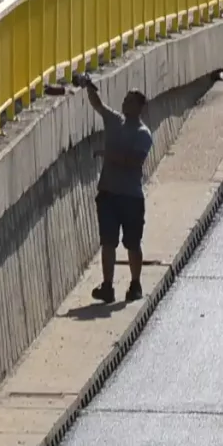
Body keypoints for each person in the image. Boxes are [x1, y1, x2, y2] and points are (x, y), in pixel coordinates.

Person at [77, 73, 154, 302]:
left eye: (130, 101)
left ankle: (135, 284)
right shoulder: (114, 120)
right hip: (109, 193)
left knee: (132, 243)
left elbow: (134, 161)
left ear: (139, 107)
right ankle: (108, 286)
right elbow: (98, 105)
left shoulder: (143, 134)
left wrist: (106, 154)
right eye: (125, 99)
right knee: (108, 241)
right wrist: (88, 86)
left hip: (130, 197)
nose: (125, 103)